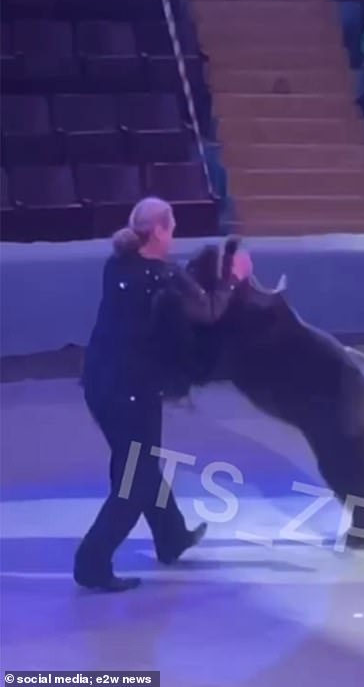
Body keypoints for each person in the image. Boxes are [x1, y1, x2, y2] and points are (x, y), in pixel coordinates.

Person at [74, 198, 253, 592]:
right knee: (135, 481)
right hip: (132, 392)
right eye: (171, 228)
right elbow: (208, 311)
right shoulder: (164, 275)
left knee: (140, 462)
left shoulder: (116, 264)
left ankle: (171, 536)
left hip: (101, 387)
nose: (173, 236)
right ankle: (92, 561)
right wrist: (235, 277)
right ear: (157, 231)